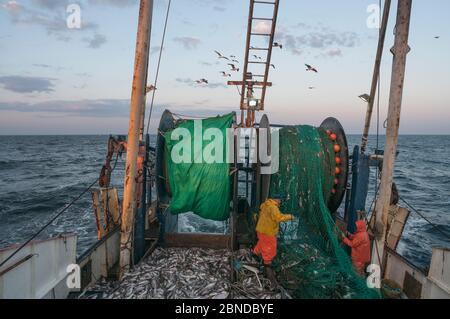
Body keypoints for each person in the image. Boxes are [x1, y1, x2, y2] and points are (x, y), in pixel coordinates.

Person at [253, 196, 294, 277]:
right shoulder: (273, 207)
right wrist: (290, 216)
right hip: (268, 232)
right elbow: (279, 217)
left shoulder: (265, 205)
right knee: (270, 248)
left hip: (261, 230)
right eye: (280, 200)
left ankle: (254, 254)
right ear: (276, 199)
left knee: (262, 243)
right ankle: (267, 265)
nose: (280, 201)